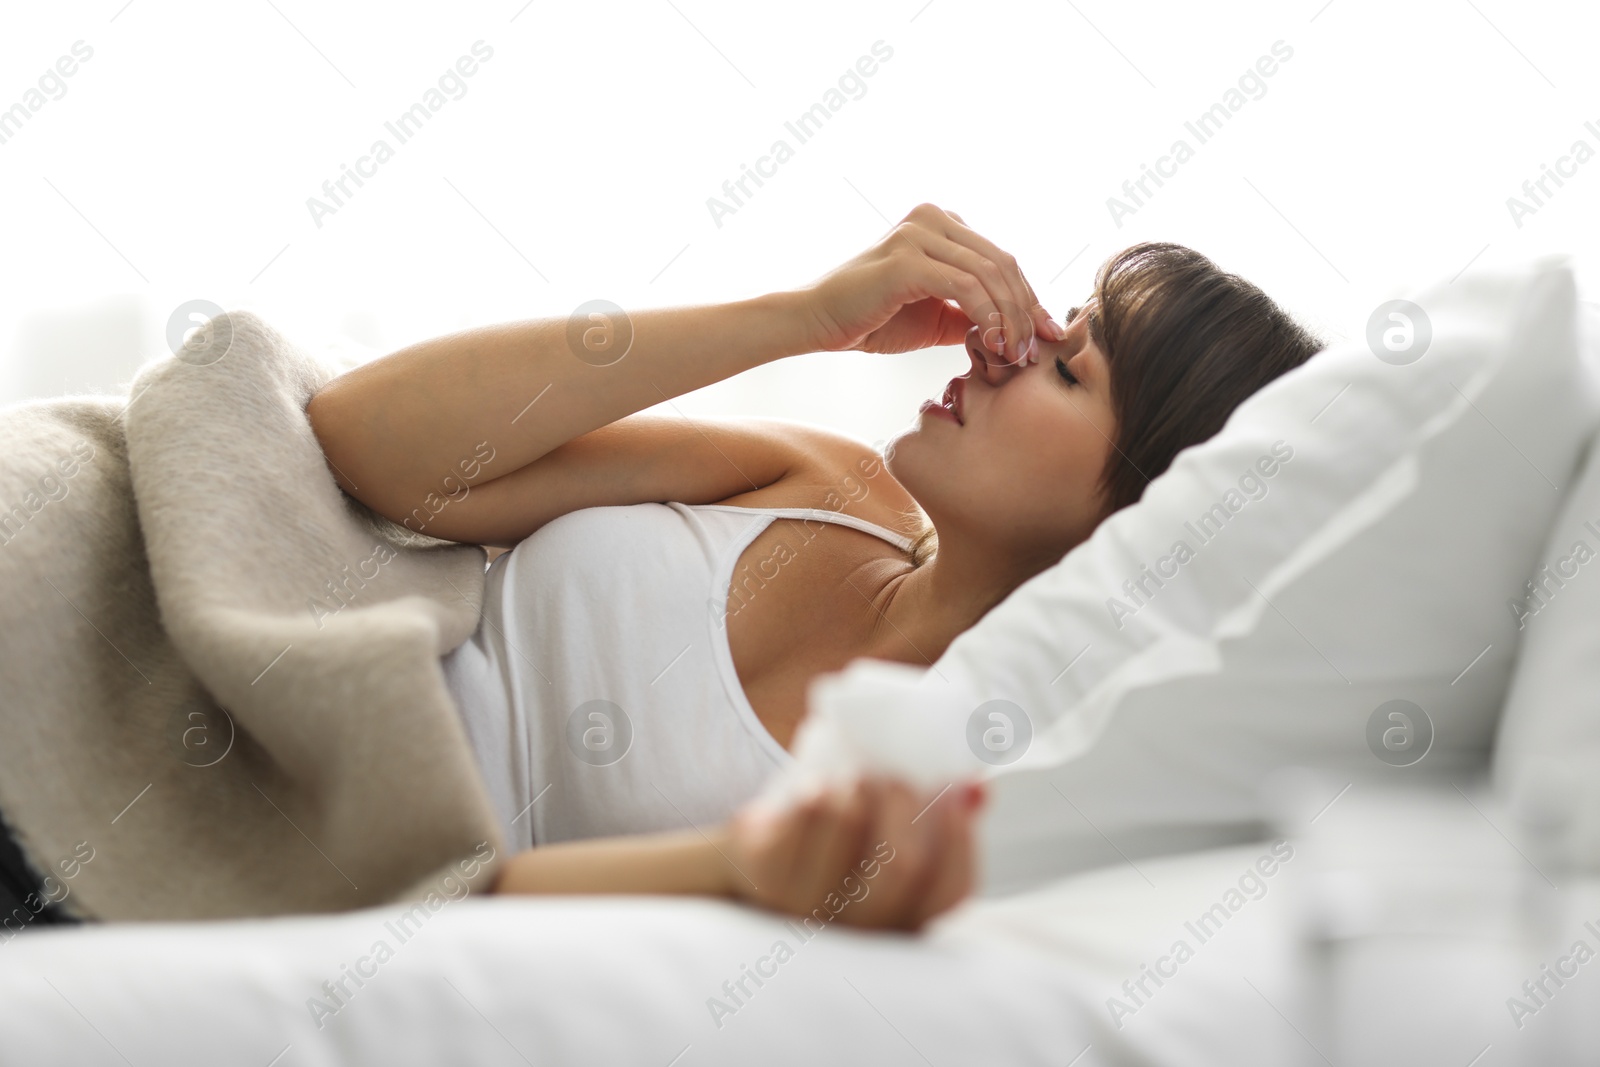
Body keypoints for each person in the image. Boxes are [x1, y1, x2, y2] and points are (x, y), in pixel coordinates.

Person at [306, 203, 1324, 930]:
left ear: (1154, 508)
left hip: (328, 852)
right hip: (298, 671)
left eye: (1068, 369)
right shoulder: (827, 485)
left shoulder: (944, 791)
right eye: (1049, 326)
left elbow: (483, 919)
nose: (997, 349)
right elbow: (369, 440)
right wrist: (806, 317)